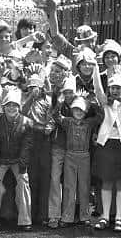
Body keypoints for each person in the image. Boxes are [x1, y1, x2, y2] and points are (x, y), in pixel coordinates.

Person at [93, 67, 121, 232]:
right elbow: (97, 88)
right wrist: (95, 67)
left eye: (118, 88)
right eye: (113, 88)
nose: (115, 91)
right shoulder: (104, 102)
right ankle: (105, 216)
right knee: (106, 181)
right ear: (109, 89)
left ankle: (119, 216)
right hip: (106, 145)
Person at [0, 87, 33, 231]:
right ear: (3, 106)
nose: (11, 108)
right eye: (8, 105)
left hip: (18, 160)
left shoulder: (27, 122)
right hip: (1, 160)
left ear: (19, 106)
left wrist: (23, 165)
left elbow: (27, 146)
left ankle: (25, 220)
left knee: (23, 183)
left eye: (14, 105)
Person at [54, 93, 103, 227]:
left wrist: (94, 104)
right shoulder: (68, 121)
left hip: (84, 156)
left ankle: (84, 216)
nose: (78, 112)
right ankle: (67, 217)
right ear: (72, 110)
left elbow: (100, 117)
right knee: (69, 186)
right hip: (70, 155)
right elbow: (55, 116)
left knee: (84, 186)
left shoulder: (89, 122)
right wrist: (59, 103)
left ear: (86, 111)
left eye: (81, 110)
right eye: (76, 109)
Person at [22, 74, 54, 225]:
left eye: (37, 87)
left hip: (44, 139)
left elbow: (51, 118)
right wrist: (30, 97)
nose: (34, 90)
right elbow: (22, 112)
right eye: (31, 87)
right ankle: (31, 213)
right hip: (30, 138)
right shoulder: (25, 101)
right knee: (31, 176)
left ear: (42, 89)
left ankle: (43, 214)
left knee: (44, 175)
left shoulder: (46, 102)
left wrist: (49, 126)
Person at [47, 76, 75, 229]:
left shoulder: (81, 106)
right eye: (67, 92)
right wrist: (57, 100)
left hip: (73, 149)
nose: (69, 95)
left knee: (70, 182)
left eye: (72, 92)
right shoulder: (59, 105)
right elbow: (54, 114)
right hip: (58, 147)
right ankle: (54, 215)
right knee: (54, 180)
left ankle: (68, 216)